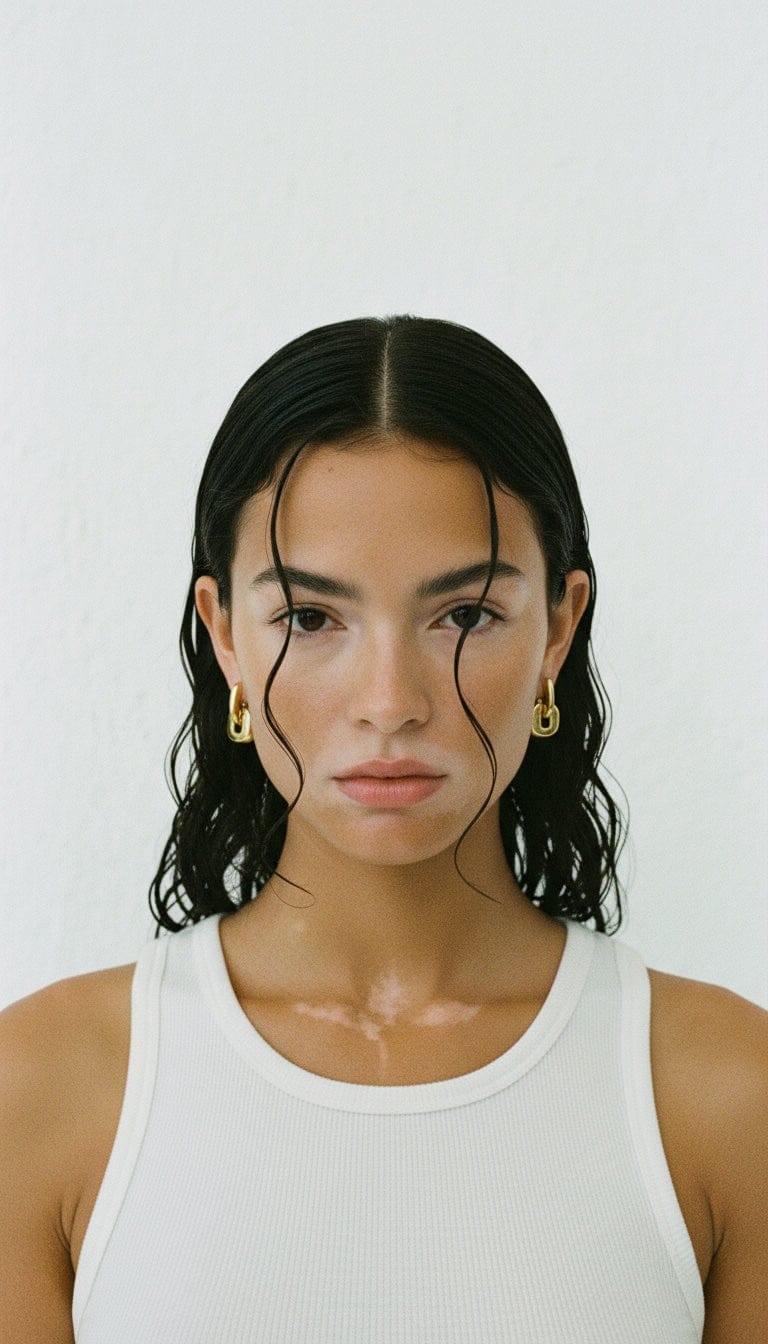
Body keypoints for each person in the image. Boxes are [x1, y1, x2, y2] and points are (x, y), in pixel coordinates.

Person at [1, 315, 766, 1342]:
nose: (390, 699)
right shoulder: (42, 1091)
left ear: (560, 627)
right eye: (311, 619)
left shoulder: (727, 1096)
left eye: (465, 615)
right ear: (226, 634)